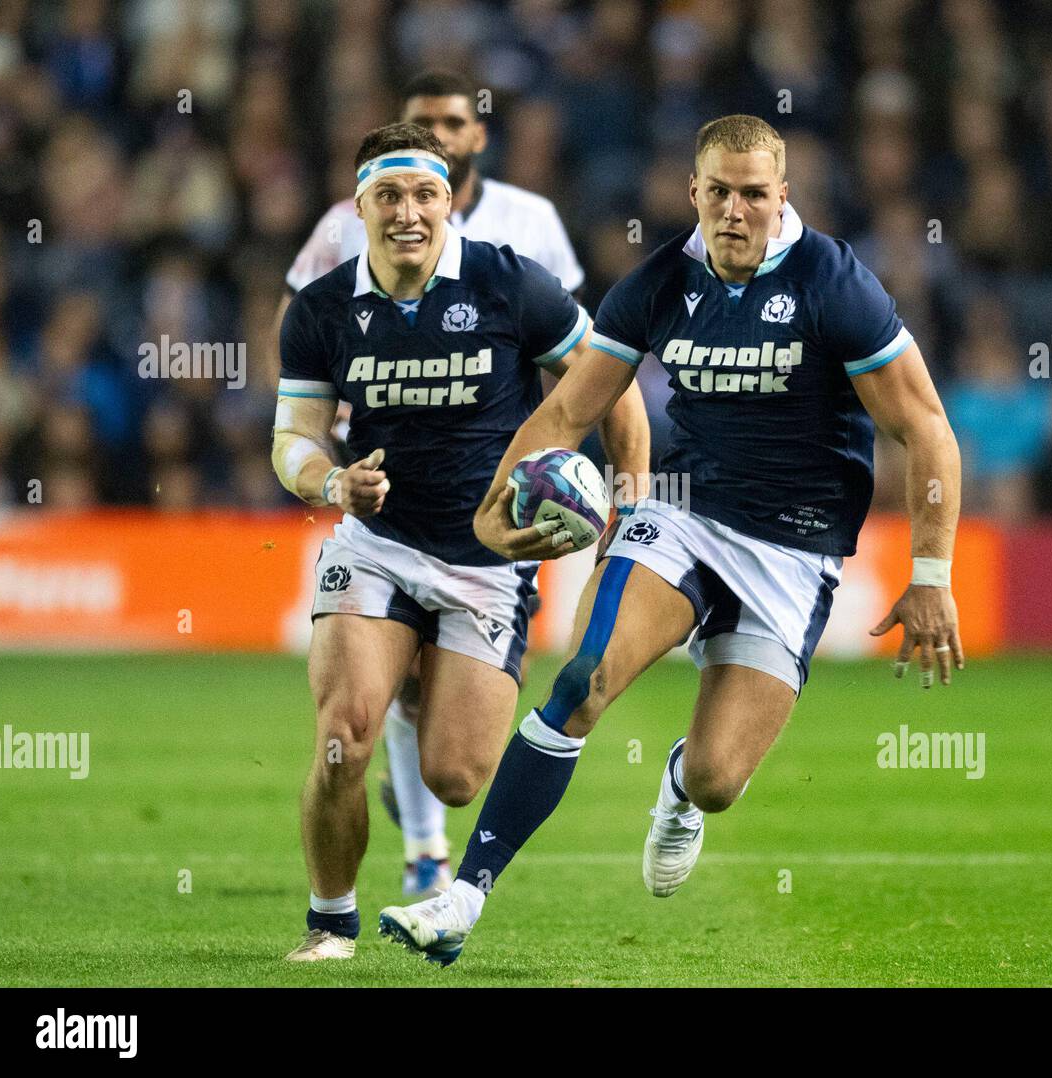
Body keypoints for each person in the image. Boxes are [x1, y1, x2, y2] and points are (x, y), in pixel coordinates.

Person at [378, 115, 964, 967]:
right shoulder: (658, 282)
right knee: (584, 678)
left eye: (754, 194)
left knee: (721, 781)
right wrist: (491, 506)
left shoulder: (834, 283)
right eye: (718, 192)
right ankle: (463, 898)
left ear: (782, 197)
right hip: (681, 515)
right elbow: (569, 408)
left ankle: (680, 789)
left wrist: (931, 573)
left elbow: (927, 429)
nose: (734, 210)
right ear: (693, 193)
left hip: (796, 549)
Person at [273, 121, 648, 961]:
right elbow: (291, 437)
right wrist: (331, 482)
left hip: (488, 564)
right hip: (377, 545)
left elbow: (608, 383)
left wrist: (631, 494)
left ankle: (416, 698)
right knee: (343, 736)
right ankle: (331, 923)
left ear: (450, 201)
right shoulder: (323, 308)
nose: (409, 212)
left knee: (456, 777)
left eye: (426, 195)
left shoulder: (512, 285)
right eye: (390, 196)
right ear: (359, 204)